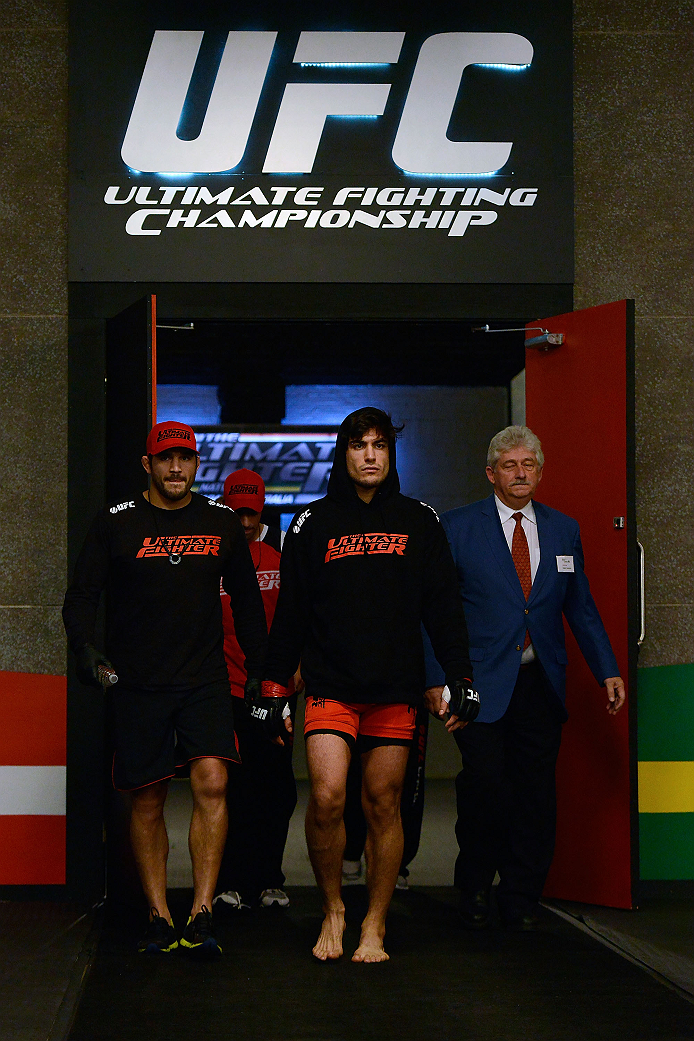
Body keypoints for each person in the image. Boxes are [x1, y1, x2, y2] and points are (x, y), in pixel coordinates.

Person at [250, 407, 478, 963]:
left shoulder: (421, 521)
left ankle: (375, 922)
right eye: (359, 446)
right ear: (343, 453)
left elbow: (443, 610)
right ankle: (334, 910)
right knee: (327, 798)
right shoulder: (311, 523)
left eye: (379, 445)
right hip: (331, 685)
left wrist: (461, 678)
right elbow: (291, 618)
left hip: (394, 691)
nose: (370, 455)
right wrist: (271, 688)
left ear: (390, 454)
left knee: (383, 803)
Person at [62, 422, 267, 957]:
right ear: (147, 465)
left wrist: (265, 672)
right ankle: (158, 914)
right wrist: (86, 650)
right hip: (139, 685)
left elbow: (247, 604)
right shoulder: (115, 523)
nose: (175, 467)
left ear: (197, 464)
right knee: (147, 799)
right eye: (165, 458)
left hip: (204, 680)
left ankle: (201, 911)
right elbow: (80, 597)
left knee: (213, 783)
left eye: (185, 458)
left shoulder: (221, 523)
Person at [424, 425, 625, 931]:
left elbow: (581, 609)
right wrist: (436, 680)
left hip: (540, 684)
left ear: (540, 471)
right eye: (509, 465)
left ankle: (520, 896)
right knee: (486, 787)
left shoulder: (563, 530)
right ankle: (472, 885)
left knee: (535, 794)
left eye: (528, 465)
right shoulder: (456, 527)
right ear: (491, 473)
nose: (520, 473)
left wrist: (608, 669)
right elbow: (433, 611)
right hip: (478, 684)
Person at [214, 468, 298, 912]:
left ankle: (269, 878)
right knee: (229, 785)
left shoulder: (284, 551)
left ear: (262, 508)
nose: (244, 521)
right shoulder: (214, 553)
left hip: (276, 686)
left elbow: (299, 617)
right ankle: (229, 880)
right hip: (224, 685)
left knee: (276, 785)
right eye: (236, 511)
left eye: (251, 512)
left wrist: (294, 674)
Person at [342, 698, 428, 891]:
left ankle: (397, 865)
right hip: (349, 685)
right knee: (350, 767)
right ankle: (351, 847)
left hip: (403, 687)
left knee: (399, 780)